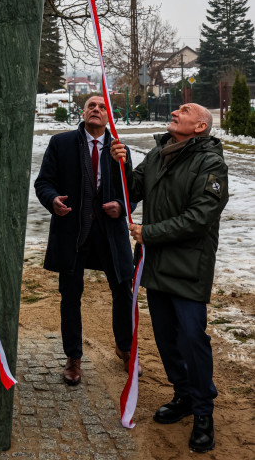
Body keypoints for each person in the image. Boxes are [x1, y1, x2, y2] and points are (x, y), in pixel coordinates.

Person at [110, 103, 228, 454]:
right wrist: (122, 163)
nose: (176, 110)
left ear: (199, 126)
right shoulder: (160, 152)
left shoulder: (211, 163)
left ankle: (204, 412)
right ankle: (184, 394)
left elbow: (200, 217)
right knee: (165, 335)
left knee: (192, 337)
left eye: (185, 110)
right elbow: (132, 191)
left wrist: (150, 231)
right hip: (156, 261)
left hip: (188, 265)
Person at [35, 94, 137, 386]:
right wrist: (52, 199)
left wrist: (121, 205)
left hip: (109, 234)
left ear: (109, 116)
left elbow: (130, 191)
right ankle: (73, 357)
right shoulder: (62, 143)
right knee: (70, 295)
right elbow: (43, 182)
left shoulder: (119, 149)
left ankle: (125, 349)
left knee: (122, 290)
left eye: (102, 107)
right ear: (83, 112)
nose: (96, 109)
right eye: (91, 105)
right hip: (73, 232)